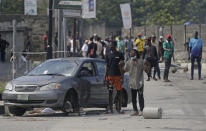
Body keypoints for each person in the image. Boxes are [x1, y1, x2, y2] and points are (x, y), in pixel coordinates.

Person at [123, 49, 144, 116]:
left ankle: (141, 110)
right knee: (133, 97)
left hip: (139, 81)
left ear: (136, 54)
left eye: (132, 52)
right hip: (132, 82)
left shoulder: (141, 61)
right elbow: (125, 69)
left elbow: (144, 69)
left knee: (140, 97)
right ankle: (135, 110)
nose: (131, 53)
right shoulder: (129, 61)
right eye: (130, 53)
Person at [105, 41, 124, 114]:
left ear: (115, 46)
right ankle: (110, 108)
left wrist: (122, 76)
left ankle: (119, 108)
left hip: (118, 76)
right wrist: (105, 77)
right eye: (109, 45)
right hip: (110, 76)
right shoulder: (108, 54)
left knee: (119, 92)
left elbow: (122, 65)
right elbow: (107, 66)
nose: (110, 46)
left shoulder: (120, 54)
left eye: (111, 45)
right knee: (110, 92)